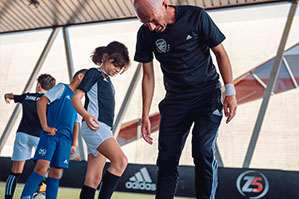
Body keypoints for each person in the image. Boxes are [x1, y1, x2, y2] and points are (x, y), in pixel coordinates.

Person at [133, 0, 238, 198]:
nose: (152, 27)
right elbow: (147, 76)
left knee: (202, 150)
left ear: (164, 4)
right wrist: (145, 114)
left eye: (154, 20)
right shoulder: (145, 33)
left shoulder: (196, 16)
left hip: (206, 94)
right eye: (145, 22)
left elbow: (220, 53)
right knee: (166, 159)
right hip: (175, 100)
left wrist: (230, 92)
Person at [71, 41, 130, 199]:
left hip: (103, 129)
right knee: (121, 161)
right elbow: (76, 98)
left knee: (93, 179)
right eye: (115, 64)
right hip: (95, 127)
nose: (116, 70)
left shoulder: (107, 81)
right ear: (105, 57)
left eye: (120, 68)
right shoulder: (94, 73)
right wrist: (86, 115)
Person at [20, 69, 87, 199]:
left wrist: (74, 143)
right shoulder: (62, 88)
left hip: (66, 141)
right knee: (41, 169)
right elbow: (41, 102)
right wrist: (45, 126)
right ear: (80, 77)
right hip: (51, 136)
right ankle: (26, 197)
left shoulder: (79, 99)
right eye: (88, 81)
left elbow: (76, 122)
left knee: (56, 173)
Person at [4, 74, 56, 199]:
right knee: (43, 169)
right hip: (40, 136)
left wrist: (7, 96)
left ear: (38, 85)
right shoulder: (50, 101)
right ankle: (39, 194)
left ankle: (8, 197)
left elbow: (11, 96)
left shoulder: (27, 96)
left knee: (15, 171)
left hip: (22, 134)